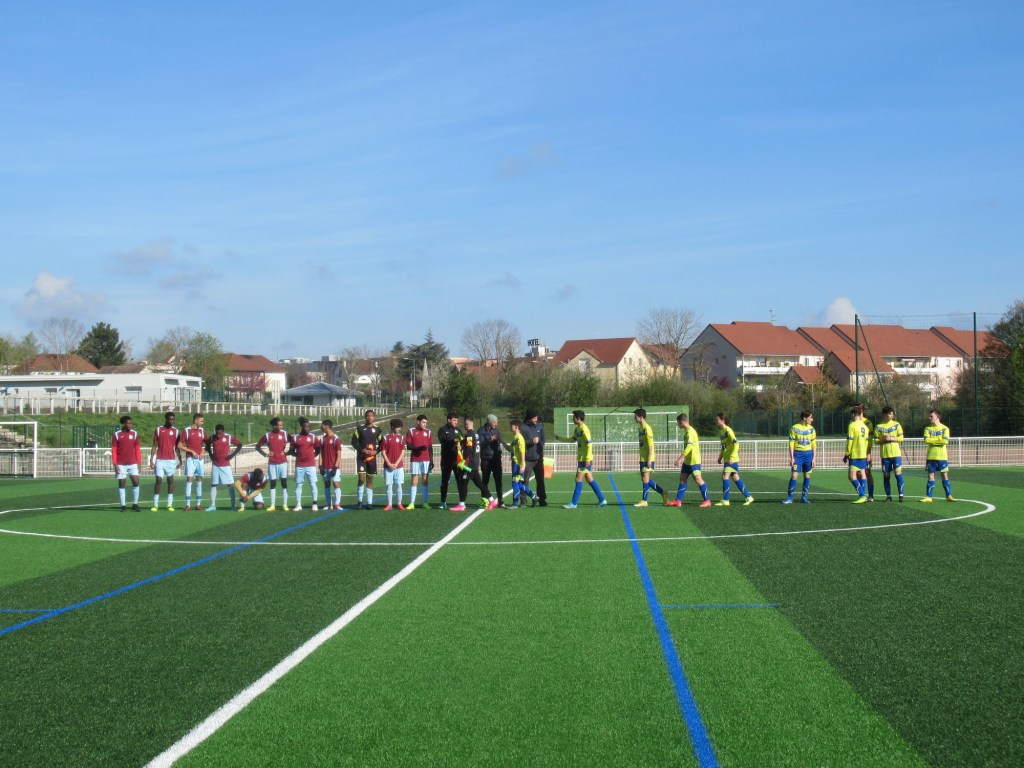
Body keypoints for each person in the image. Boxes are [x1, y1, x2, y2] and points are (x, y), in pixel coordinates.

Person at [554, 410, 609, 509]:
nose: (572, 419)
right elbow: (572, 440)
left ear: (578, 418)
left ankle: (573, 503)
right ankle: (602, 500)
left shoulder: (584, 429)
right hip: (581, 458)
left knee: (578, 479)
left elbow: (589, 444)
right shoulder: (577, 429)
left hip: (585, 459)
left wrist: (587, 459)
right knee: (589, 479)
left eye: (573, 418)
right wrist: (559, 438)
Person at [667, 412, 711, 508]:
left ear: (682, 422)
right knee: (682, 478)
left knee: (698, 479)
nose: (678, 425)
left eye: (678, 423)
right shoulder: (687, 432)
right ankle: (678, 501)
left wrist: (680, 459)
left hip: (693, 461)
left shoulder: (691, 432)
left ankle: (707, 500)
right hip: (687, 461)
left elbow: (689, 447)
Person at [715, 413, 754, 506]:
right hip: (727, 458)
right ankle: (749, 497)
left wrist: (732, 457)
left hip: (731, 459)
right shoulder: (721, 431)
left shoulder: (728, 430)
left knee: (725, 477)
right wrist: (720, 457)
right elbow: (723, 446)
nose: (715, 421)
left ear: (722, 420)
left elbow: (736, 443)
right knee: (736, 478)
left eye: (717, 419)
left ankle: (726, 500)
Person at [634, 408, 669, 507]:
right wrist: (641, 458)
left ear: (641, 417)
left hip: (648, 458)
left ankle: (644, 501)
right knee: (645, 479)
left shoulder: (647, 429)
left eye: (635, 416)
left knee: (645, 478)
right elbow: (642, 445)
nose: (634, 418)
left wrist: (649, 459)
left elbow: (650, 445)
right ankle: (663, 493)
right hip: (643, 458)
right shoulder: (640, 428)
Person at [255, 418, 290, 511]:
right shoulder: (267, 435)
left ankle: (285, 505)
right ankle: (272, 505)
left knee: (284, 483)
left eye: (282, 425)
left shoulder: (285, 434)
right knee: (273, 484)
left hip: (283, 463)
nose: (282, 426)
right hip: (272, 463)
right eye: (280, 425)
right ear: (274, 426)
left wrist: (287, 453)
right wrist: (265, 454)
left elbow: (294, 443)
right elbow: (257, 447)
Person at [921, 409, 955, 502]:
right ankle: (929, 497)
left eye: (931, 416)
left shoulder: (945, 428)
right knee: (931, 474)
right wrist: (939, 440)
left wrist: (933, 441)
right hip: (931, 456)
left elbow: (945, 441)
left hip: (942, 456)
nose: (929, 418)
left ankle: (948, 496)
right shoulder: (927, 428)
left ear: (937, 417)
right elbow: (926, 440)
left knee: (944, 475)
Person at [459, 416, 492, 510]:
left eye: (465, 424)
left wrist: (463, 460)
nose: (464, 426)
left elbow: (469, 448)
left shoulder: (469, 434)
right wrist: (462, 443)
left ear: (467, 424)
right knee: (479, 484)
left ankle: (461, 504)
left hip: (470, 463)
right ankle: (492, 500)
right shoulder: (476, 434)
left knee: (463, 482)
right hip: (475, 462)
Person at [783, 410, 816, 504]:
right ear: (804, 418)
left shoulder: (812, 429)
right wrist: (792, 457)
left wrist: (814, 458)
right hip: (798, 455)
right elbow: (791, 443)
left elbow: (814, 444)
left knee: (807, 475)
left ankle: (804, 497)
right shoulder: (794, 428)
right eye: (810, 417)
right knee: (794, 475)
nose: (812, 419)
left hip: (808, 455)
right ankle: (790, 498)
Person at [351, 409, 382, 509]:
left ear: (374, 417)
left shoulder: (377, 430)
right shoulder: (360, 429)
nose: (370, 417)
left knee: (370, 479)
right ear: (365, 417)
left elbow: (382, 443)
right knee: (361, 479)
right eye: (368, 415)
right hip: (361, 458)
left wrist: (376, 451)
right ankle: (359, 502)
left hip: (371, 459)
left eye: (371, 415)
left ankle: (369, 503)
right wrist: (361, 449)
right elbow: (354, 441)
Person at [150, 411, 181, 511]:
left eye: (173, 420)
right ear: (166, 419)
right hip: (160, 459)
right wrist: (151, 459)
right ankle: (155, 504)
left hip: (171, 460)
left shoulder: (176, 431)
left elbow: (177, 448)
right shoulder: (159, 430)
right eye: (170, 419)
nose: (172, 421)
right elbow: (154, 445)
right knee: (158, 480)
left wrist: (180, 460)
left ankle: (169, 504)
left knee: (170, 481)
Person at [206, 423, 241, 511]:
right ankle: (212, 505)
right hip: (215, 465)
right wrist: (210, 454)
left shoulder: (228, 437)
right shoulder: (212, 437)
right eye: (217, 433)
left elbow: (239, 445)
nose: (218, 435)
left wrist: (232, 455)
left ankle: (233, 505)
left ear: (223, 432)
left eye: (220, 433)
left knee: (230, 485)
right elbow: (207, 444)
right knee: (214, 484)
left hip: (225, 466)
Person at [502, 419, 536, 508]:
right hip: (515, 464)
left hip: (518, 465)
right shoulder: (515, 438)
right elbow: (509, 449)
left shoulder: (520, 438)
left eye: (511, 426)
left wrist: (523, 464)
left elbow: (522, 452)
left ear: (516, 427)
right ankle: (534, 497)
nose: (510, 427)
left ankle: (515, 503)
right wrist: (500, 440)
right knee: (519, 484)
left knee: (515, 483)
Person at [874, 406, 905, 502]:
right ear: (884, 414)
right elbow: (875, 440)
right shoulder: (879, 426)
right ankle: (888, 496)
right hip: (885, 455)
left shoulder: (896, 425)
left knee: (898, 474)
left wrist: (891, 438)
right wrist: (882, 439)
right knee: (886, 476)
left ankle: (901, 495)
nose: (891, 415)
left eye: (892, 414)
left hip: (896, 455)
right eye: (889, 414)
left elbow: (901, 438)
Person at [112, 415, 142, 512]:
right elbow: (114, 450)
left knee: (136, 482)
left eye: (131, 423)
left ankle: (135, 504)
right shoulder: (117, 435)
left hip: (133, 463)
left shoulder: (134, 434)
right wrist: (115, 464)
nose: (130, 425)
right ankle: (123, 505)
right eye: (128, 423)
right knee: (122, 483)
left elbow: (137, 449)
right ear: (123, 424)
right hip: (121, 464)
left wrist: (139, 463)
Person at [290, 417, 320, 511]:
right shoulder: (295, 438)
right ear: (301, 427)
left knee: (313, 484)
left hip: (311, 465)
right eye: (305, 427)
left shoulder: (313, 437)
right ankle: (298, 505)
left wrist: (312, 456)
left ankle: (314, 504)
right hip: (299, 465)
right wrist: (298, 455)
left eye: (308, 427)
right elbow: (291, 451)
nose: (307, 429)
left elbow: (318, 449)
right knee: (298, 485)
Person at [178, 413, 207, 511]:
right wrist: (191, 451)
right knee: (189, 479)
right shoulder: (186, 430)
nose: (202, 423)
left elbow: (208, 443)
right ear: (195, 420)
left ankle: (198, 504)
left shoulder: (202, 431)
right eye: (201, 421)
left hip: (200, 459)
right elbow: (179, 445)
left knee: (199, 479)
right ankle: (188, 505)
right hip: (190, 458)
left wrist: (203, 451)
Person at [404, 415, 433, 509]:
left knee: (425, 481)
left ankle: (425, 503)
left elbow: (430, 448)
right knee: (414, 481)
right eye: (423, 422)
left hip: (426, 460)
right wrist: (419, 448)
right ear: (418, 422)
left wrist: (431, 460)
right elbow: (408, 446)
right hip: (415, 459)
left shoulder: (428, 432)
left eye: (426, 423)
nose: (425, 424)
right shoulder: (411, 431)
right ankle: (412, 503)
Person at [520, 410, 547, 506]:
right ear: (529, 418)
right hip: (528, 459)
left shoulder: (540, 426)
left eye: (537, 418)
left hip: (539, 458)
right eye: (534, 418)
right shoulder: (523, 427)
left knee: (540, 480)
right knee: (524, 481)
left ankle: (542, 500)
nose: (536, 419)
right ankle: (523, 501)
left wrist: (539, 446)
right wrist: (532, 441)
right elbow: (521, 442)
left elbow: (543, 439)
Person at [843, 406, 870, 504]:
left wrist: (847, 454)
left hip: (855, 454)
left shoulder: (852, 425)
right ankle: (863, 496)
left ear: (853, 414)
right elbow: (866, 442)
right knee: (862, 474)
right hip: (863, 454)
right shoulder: (865, 427)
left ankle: (862, 496)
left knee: (851, 477)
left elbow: (850, 441)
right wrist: (866, 453)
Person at [437, 412, 464, 510]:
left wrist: (461, 447)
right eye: (454, 420)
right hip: (446, 460)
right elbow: (443, 442)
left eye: (457, 420)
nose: (456, 422)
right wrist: (453, 441)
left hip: (457, 460)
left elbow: (463, 442)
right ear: (449, 420)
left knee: (460, 481)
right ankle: (443, 502)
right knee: (445, 481)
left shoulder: (458, 430)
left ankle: (462, 502)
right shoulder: (442, 430)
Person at [380, 418, 407, 511]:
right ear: (392, 427)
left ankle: (399, 503)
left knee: (399, 485)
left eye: (400, 427)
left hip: (398, 466)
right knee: (389, 486)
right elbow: (383, 452)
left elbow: (403, 451)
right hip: (388, 467)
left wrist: (396, 463)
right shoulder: (385, 438)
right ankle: (389, 504)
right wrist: (389, 463)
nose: (400, 429)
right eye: (398, 427)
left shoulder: (401, 438)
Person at [478, 414, 504, 509]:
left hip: (496, 459)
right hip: (486, 459)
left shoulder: (497, 430)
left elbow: (499, 443)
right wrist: (490, 439)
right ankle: (485, 500)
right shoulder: (481, 431)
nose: (496, 424)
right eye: (495, 422)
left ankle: (500, 500)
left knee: (498, 481)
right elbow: (480, 444)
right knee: (485, 480)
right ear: (490, 422)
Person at [320, 419, 343, 509]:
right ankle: (329, 504)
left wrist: (335, 467)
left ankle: (337, 504)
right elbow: (321, 453)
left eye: (322, 425)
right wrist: (320, 466)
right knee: (326, 485)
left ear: (327, 426)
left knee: (336, 484)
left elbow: (339, 454)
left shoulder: (336, 439)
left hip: (333, 467)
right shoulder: (323, 439)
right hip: (325, 467)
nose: (321, 427)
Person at [857, 404, 876, 501]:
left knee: (867, 473)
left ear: (862, 410)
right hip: (856, 453)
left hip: (865, 453)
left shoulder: (868, 423)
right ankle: (862, 494)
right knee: (857, 474)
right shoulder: (853, 422)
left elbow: (870, 440)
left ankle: (871, 495)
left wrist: (868, 453)